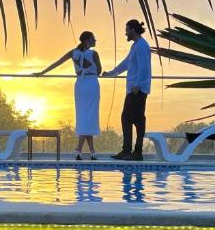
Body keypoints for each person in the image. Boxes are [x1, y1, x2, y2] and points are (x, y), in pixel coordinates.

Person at [33, 31, 102, 160]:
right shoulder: (94, 54)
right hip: (92, 84)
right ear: (87, 40)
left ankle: (85, 150)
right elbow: (99, 71)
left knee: (83, 117)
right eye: (94, 39)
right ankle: (82, 150)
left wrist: (42, 72)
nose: (95, 41)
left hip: (80, 85)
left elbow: (57, 63)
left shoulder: (73, 53)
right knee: (89, 116)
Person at [102, 19, 151, 161]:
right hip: (133, 89)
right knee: (127, 118)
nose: (125, 33)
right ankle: (128, 151)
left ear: (133, 30)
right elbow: (126, 64)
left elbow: (144, 68)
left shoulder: (141, 46)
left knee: (137, 120)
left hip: (138, 89)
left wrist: (138, 85)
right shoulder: (135, 46)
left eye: (127, 30)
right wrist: (111, 73)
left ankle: (136, 152)